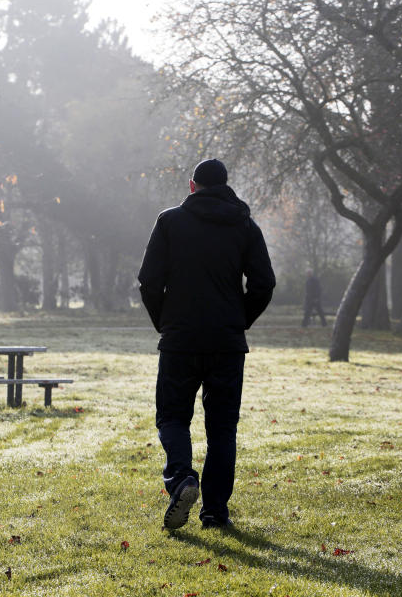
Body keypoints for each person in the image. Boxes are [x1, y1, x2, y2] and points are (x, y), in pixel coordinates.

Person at [137, 158, 275, 529]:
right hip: (226, 343)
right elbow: (264, 284)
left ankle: (182, 476)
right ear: (226, 185)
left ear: (192, 185)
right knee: (222, 428)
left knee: (172, 417)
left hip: (180, 339)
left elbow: (149, 282)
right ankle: (215, 511)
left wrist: (164, 322)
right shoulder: (244, 225)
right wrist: (238, 319)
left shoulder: (170, 221)